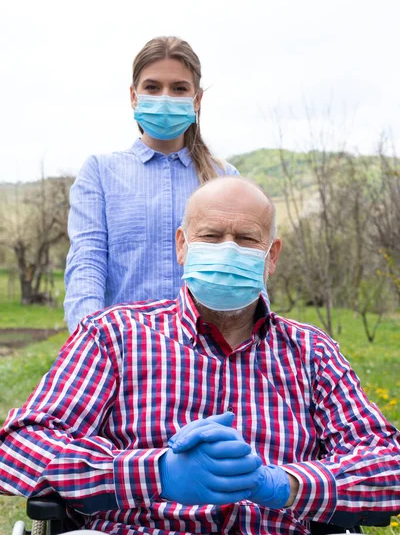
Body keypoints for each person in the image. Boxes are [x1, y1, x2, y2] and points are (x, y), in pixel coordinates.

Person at [1, 176, 399, 535]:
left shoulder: (312, 353)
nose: (228, 250)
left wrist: (285, 484)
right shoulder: (113, 337)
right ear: (182, 246)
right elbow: (21, 447)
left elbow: (387, 464)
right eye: (210, 236)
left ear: (271, 256)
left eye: (246, 239)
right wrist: (154, 472)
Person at [64, 35, 238, 334]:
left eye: (179, 88)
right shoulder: (101, 173)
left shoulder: (224, 179)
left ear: (197, 99)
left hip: (207, 359)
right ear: (134, 95)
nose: (165, 97)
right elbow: (87, 265)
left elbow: (244, 274)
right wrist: (89, 339)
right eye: (152, 87)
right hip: (125, 354)